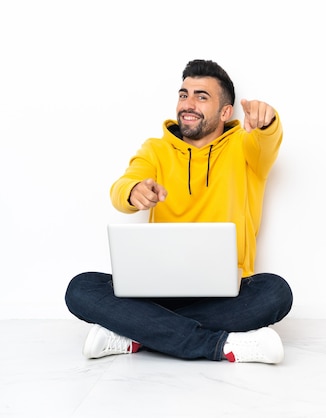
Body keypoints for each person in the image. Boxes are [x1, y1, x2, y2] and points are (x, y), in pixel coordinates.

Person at [65, 59, 293, 364]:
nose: (188, 103)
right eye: (184, 94)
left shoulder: (246, 147)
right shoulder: (156, 150)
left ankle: (134, 331)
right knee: (80, 288)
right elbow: (123, 185)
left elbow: (268, 139)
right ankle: (218, 345)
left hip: (229, 289)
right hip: (157, 288)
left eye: (202, 96)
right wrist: (133, 191)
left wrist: (268, 121)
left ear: (226, 111)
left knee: (275, 292)